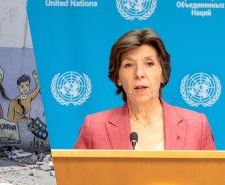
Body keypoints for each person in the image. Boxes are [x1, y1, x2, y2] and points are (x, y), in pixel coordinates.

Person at [75, 28, 215, 150]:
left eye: (149, 63)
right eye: (129, 65)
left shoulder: (197, 125)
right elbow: (77, 179)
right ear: (117, 77)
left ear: (163, 74)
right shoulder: (94, 127)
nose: (139, 73)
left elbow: (212, 179)